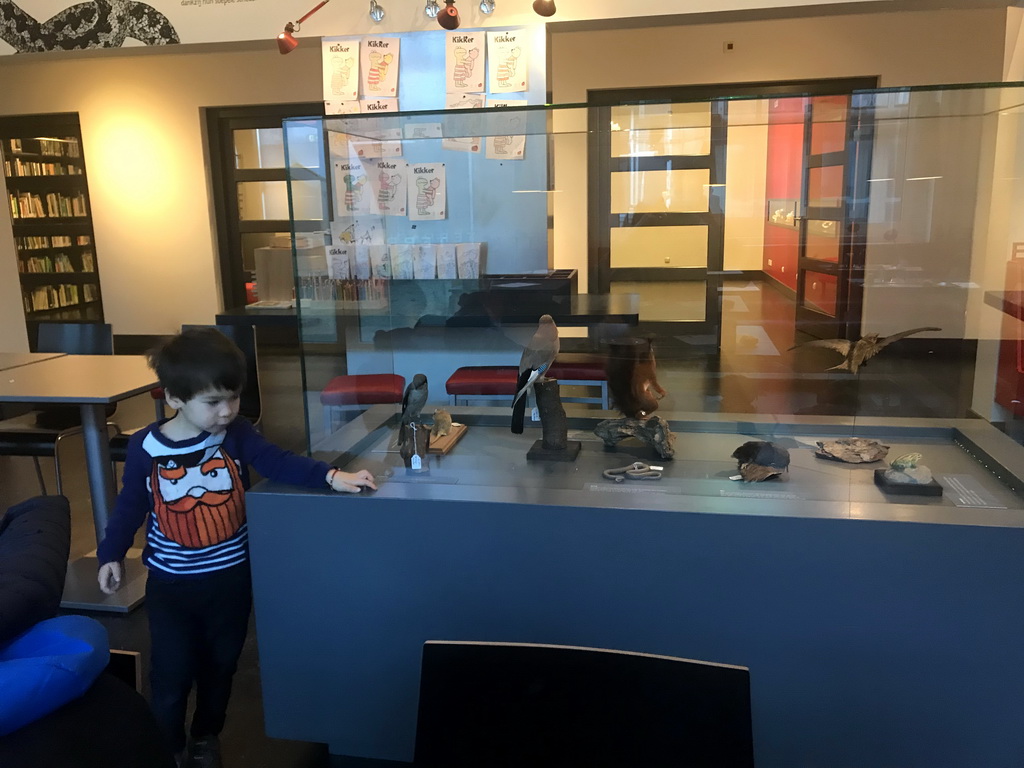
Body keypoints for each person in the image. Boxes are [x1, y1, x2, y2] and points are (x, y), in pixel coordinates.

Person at [96, 327, 376, 768]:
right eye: (213, 402)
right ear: (173, 398)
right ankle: (166, 745)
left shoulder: (235, 433)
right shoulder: (146, 447)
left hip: (230, 582)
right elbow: (131, 503)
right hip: (171, 588)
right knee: (170, 675)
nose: (227, 411)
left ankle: (206, 735)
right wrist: (111, 552)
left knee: (221, 668)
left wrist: (330, 475)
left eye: (234, 398)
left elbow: (276, 460)